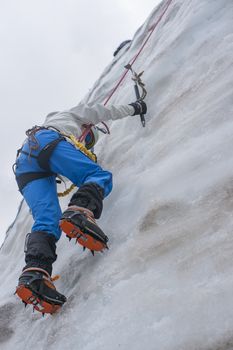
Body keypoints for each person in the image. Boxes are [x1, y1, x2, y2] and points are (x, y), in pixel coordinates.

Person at [14, 99, 147, 314]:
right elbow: (104, 111)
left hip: (24, 164)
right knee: (97, 175)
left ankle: (34, 274)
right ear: (87, 129)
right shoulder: (73, 115)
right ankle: (79, 211)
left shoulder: (43, 129)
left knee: (47, 220)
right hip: (47, 142)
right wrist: (135, 107)